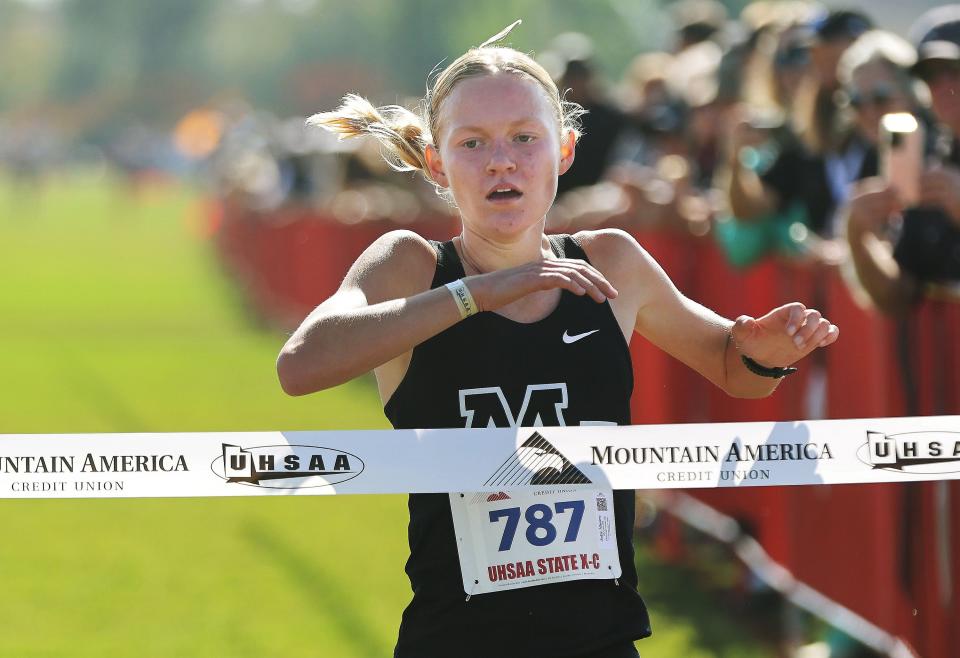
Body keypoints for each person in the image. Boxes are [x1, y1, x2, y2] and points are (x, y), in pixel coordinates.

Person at [276, 22, 839, 658]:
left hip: (598, 641)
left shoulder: (612, 263)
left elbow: (730, 365)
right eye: (472, 143)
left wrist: (764, 350)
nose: (501, 161)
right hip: (456, 641)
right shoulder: (411, 266)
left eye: (524, 138)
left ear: (564, 151)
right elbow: (301, 365)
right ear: (436, 161)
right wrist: (476, 295)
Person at [846, 6, 960, 315]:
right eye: (931, 75)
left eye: (955, 69)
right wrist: (857, 238)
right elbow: (897, 296)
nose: (942, 85)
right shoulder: (928, 161)